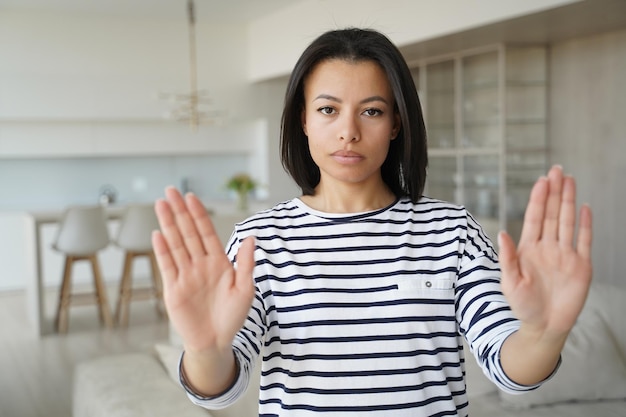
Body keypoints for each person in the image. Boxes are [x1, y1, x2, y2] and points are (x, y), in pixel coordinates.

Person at [152, 28, 593, 416]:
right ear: (302, 119)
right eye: (328, 110)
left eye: (372, 110)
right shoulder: (260, 241)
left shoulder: (452, 231)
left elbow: (510, 368)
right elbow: (219, 389)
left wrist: (543, 332)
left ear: (397, 123)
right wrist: (205, 349)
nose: (348, 131)